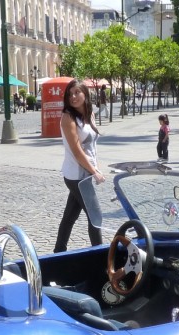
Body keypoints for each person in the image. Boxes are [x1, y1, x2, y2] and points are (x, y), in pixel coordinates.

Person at [52, 79, 105, 253]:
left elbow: (91, 148)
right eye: (70, 94)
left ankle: (58, 252)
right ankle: (100, 259)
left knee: (69, 217)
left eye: (77, 92)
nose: (73, 97)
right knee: (95, 217)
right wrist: (94, 171)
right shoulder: (68, 117)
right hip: (76, 176)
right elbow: (77, 151)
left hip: (85, 173)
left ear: (85, 93)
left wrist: (95, 167)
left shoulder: (89, 114)